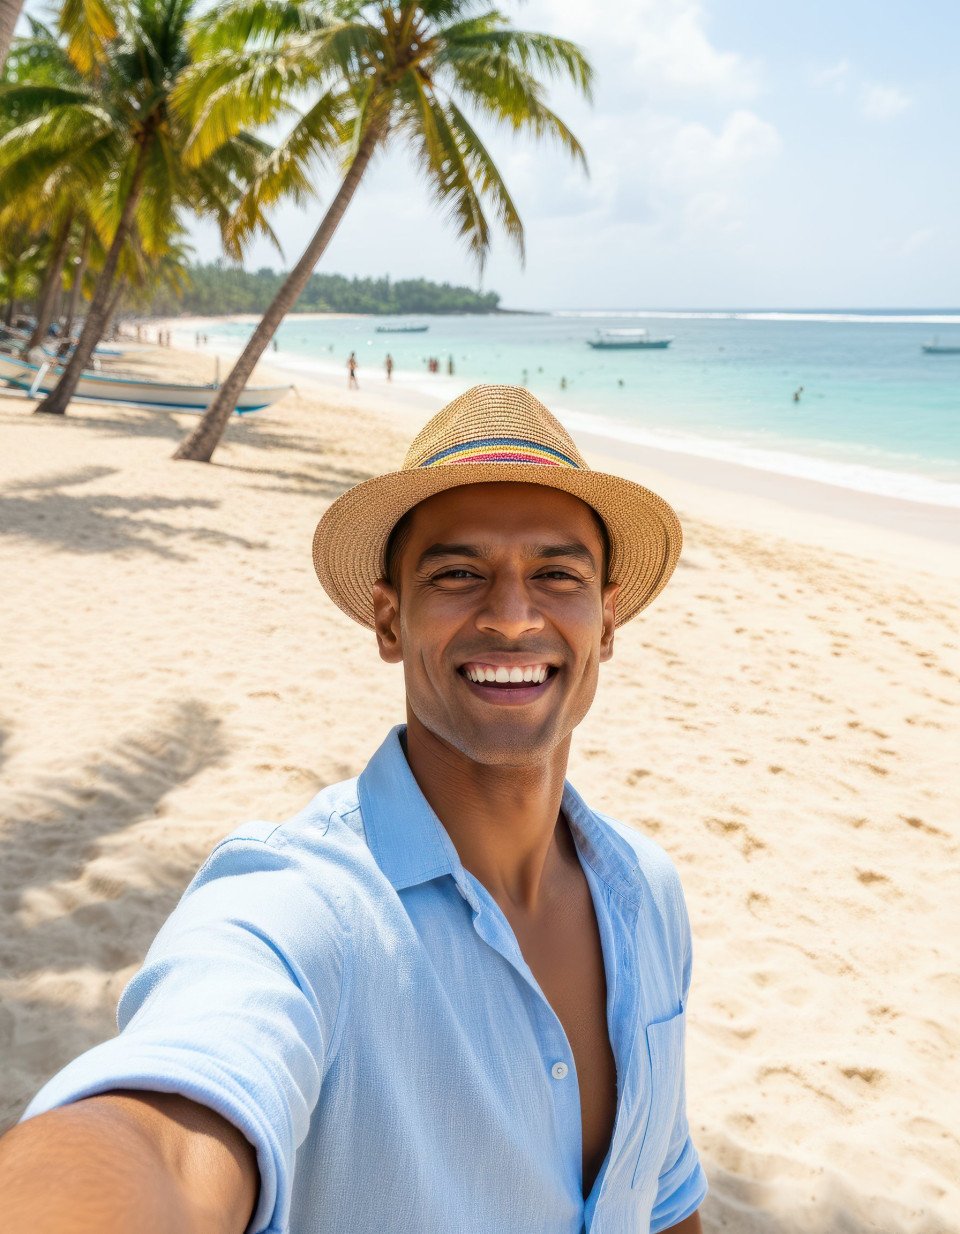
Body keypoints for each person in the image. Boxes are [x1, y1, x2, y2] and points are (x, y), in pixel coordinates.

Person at [0, 386, 706, 1234]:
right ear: (388, 619)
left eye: (557, 575)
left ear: (608, 620)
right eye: (458, 574)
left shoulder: (645, 894)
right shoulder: (303, 908)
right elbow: (167, 1130)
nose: (514, 618)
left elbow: (661, 1197)